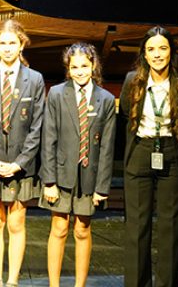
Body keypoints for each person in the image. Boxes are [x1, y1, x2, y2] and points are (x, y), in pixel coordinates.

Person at [120, 27, 178, 287]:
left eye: (162, 48)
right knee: (137, 228)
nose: (157, 54)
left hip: (172, 154)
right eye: (151, 49)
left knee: (171, 228)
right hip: (141, 152)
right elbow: (124, 114)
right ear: (144, 53)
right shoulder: (132, 81)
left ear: (171, 52)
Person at [39, 42, 116, 287]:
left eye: (84, 66)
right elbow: (48, 138)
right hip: (60, 176)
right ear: (68, 68)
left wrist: (101, 187)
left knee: (82, 229)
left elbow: (107, 147)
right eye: (75, 67)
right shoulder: (57, 94)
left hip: (89, 178)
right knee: (59, 228)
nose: (80, 71)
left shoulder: (105, 99)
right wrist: (48, 181)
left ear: (93, 66)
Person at [0, 20, 44, 287]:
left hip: (20, 165)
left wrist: (19, 163)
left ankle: (13, 280)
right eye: (2, 43)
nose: (7, 48)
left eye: (12, 43)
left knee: (16, 223)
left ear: (21, 44)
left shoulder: (34, 79)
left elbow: (38, 126)